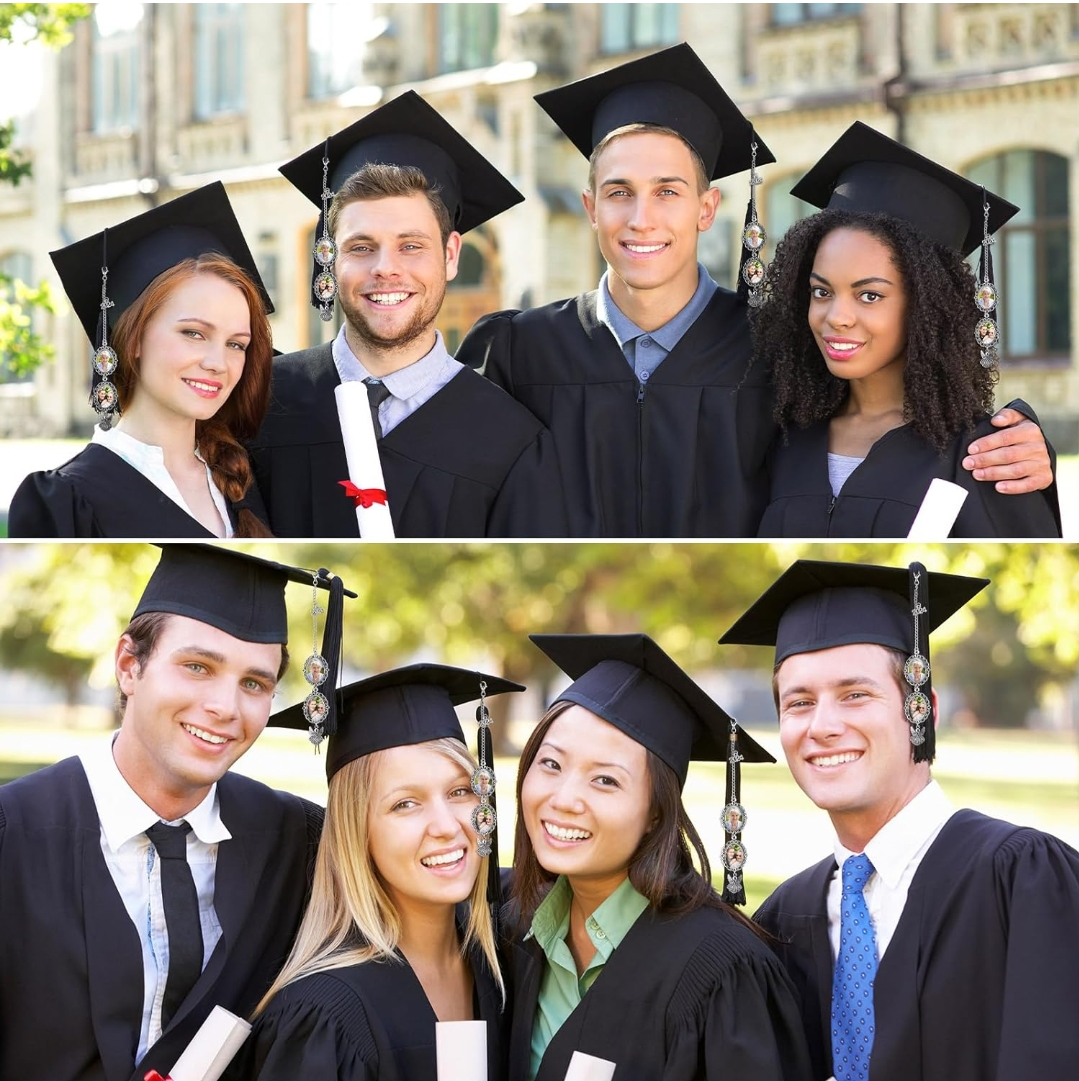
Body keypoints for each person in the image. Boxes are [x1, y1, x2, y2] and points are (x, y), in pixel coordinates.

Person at [457, 44, 1055, 538]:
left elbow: (898, 408)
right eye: (619, 192)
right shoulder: (514, 352)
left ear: (707, 207)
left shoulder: (773, 353)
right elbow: (437, 466)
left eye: (668, 190)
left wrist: (1020, 434)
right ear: (590, 207)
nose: (641, 218)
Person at [0, 544, 352, 1081]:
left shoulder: (299, 843)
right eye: (197, 667)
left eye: (254, 683)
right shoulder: (13, 834)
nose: (225, 708)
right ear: (129, 666)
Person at [720, 558, 1079, 1081]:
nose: (822, 726)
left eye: (855, 695)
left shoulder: (1022, 880)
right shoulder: (783, 919)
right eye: (799, 703)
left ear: (922, 710)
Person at [250, 91, 567, 538]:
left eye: (411, 245)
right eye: (361, 247)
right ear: (330, 259)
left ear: (451, 255)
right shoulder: (260, 402)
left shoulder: (510, 439)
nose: (386, 268)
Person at [507, 632, 813, 1081]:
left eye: (605, 781)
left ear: (655, 814)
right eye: (551, 764)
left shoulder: (723, 973)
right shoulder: (510, 924)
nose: (564, 798)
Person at [752, 123, 1062, 538]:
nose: (836, 317)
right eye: (822, 291)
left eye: (870, 296)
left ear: (927, 308)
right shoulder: (782, 439)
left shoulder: (985, 456)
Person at [230, 664, 523, 1080]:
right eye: (406, 803)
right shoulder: (321, 1017)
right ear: (356, 832)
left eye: (460, 791)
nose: (446, 825)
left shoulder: (501, 963)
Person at [9, 183, 276, 539]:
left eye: (236, 344)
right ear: (133, 338)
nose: (218, 363)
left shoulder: (241, 478)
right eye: (193, 333)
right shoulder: (68, 501)